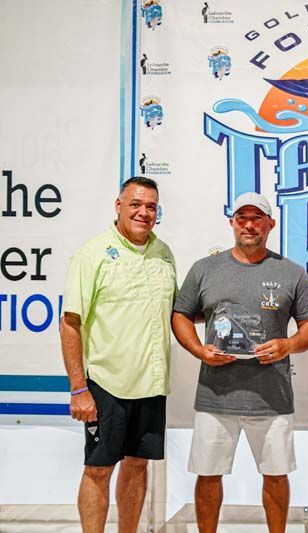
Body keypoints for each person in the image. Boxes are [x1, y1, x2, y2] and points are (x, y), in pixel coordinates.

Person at [171, 192, 308, 533]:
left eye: (257, 218)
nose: (249, 225)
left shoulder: (292, 273)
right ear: (231, 222)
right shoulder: (205, 269)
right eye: (242, 218)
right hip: (215, 395)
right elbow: (180, 314)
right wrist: (199, 350)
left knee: (276, 476)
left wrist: (288, 345)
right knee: (208, 476)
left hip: (271, 397)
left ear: (271, 224)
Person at [60, 176, 176, 533]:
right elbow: (70, 323)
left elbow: (178, 312)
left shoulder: (163, 253)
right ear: (119, 206)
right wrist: (79, 388)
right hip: (106, 385)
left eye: (151, 206)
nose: (144, 213)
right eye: (136, 205)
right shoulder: (92, 254)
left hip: (151, 385)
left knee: (138, 465)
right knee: (98, 469)